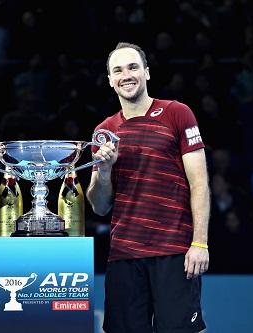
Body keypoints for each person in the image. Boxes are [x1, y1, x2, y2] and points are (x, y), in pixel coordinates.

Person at [86, 42, 210, 333]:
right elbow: (100, 205)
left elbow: (200, 183)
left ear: (147, 73)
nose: (126, 75)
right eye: (118, 70)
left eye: (133, 67)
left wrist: (200, 243)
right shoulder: (104, 131)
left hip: (175, 252)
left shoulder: (177, 113)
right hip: (124, 255)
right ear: (110, 80)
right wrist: (104, 170)